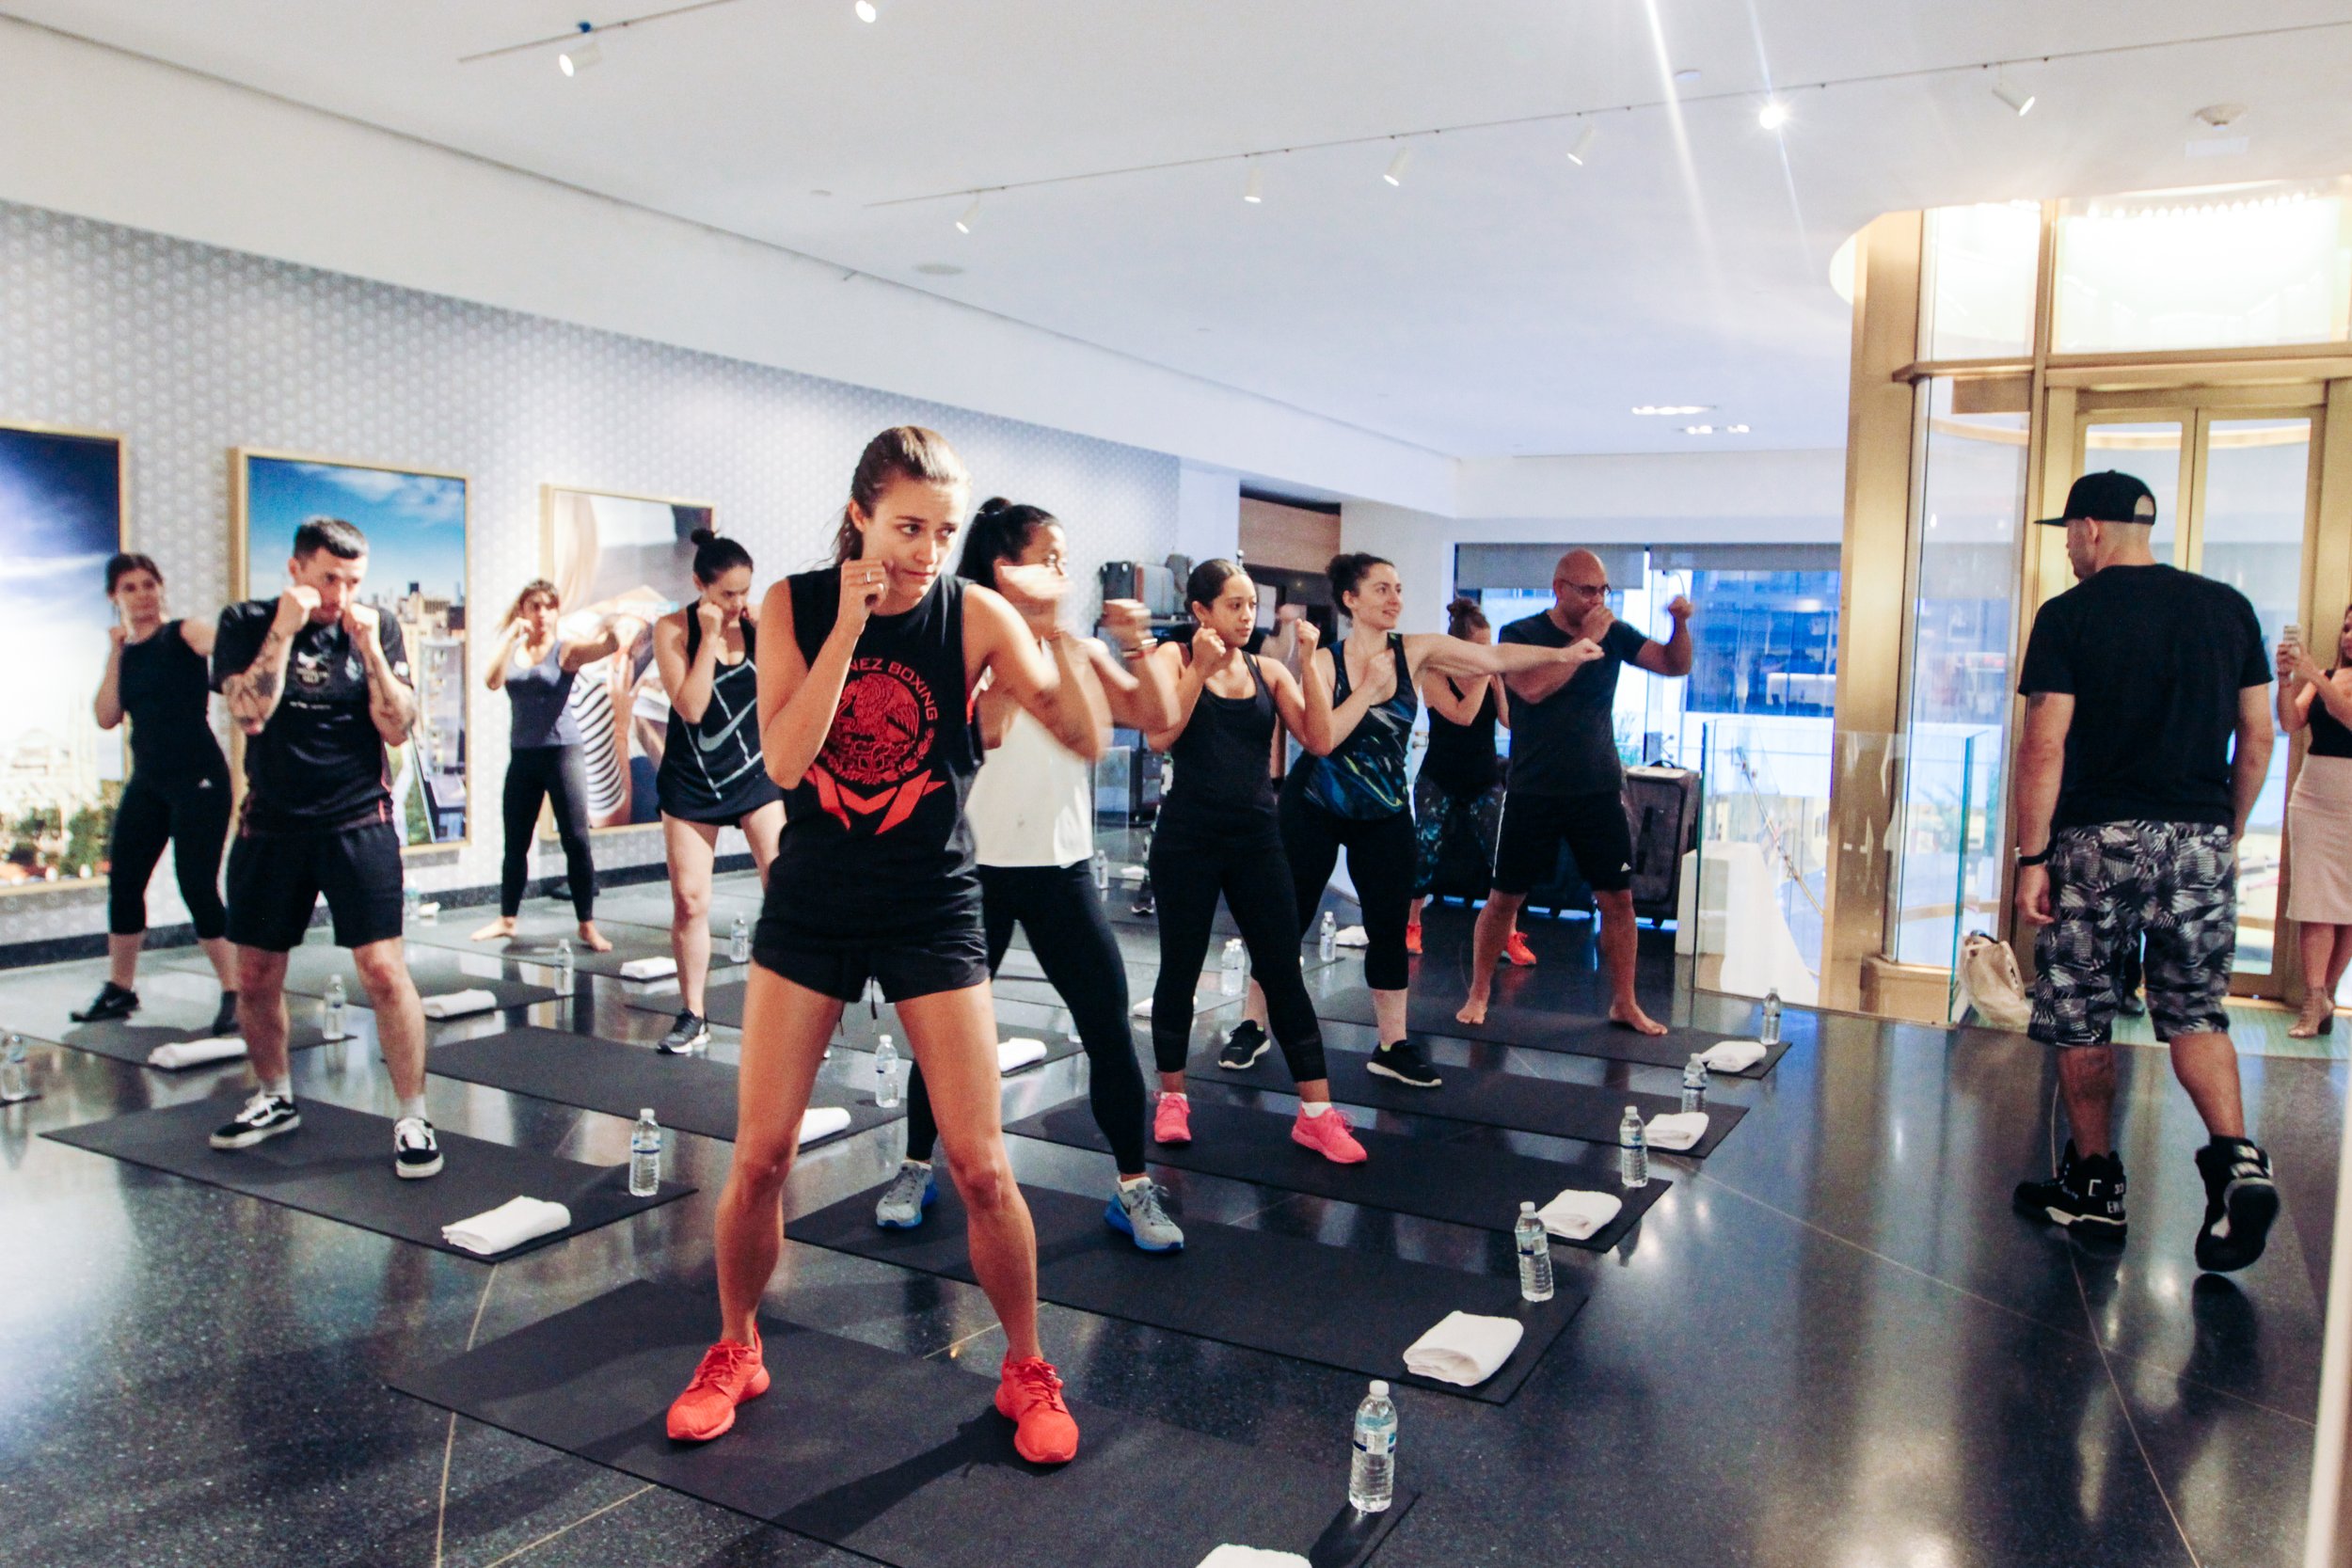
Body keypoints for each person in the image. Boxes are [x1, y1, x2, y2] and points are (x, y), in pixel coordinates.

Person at [667, 426, 1103, 1463]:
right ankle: (736, 1344)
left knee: (982, 1164)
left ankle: (1026, 1363)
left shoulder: (975, 612)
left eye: (944, 531)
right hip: (812, 899)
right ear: (860, 510)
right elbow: (781, 755)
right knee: (763, 1154)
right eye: (908, 525)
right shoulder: (793, 602)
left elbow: (1084, 731)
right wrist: (849, 632)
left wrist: (1057, 631)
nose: (925, 550)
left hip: (931, 900)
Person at [876, 499, 1184, 1251]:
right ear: (1005, 568)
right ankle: (916, 1165)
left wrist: (1137, 645)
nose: (1064, 571)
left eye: (1063, 558)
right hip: (971, 873)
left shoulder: (1075, 649)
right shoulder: (961, 646)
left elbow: (1155, 717)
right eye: (1049, 556)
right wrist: (1025, 641)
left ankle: (1135, 1187)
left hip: (1061, 870)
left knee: (1108, 1028)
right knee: (942, 1039)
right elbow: (987, 728)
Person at [2010, 470, 2280, 1274]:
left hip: (2099, 839)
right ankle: (2236, 1160)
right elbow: (2258, 734)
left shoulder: (2067, 616)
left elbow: (2044, 743)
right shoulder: (2227, 607)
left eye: (2067, 532)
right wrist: (2225, 827)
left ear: (2094, 528)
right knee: (2196, 1011)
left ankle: (2095, 1185)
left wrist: (2032, 856)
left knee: (2084, 1011)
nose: (2065, 547)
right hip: (2199, 836)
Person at [1226, 555, 1602, 1089]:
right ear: (1351, 600)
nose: (1395, 598)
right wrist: (1370, 687)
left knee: (1388, 927)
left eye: (1398, 588)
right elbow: (1324, 736)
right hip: (1314, 804)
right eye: (1382, 589)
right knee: (1285, 918)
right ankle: (1251, 1024)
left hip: (1383, 810)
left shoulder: (1416, 650)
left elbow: (1493, 655)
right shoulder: (1327, 662)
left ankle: (1392, 1045)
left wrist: (1563, 652)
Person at [206, 517, 439, 1178]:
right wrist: (282, 629)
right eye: (328, 577)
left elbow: (398, 728)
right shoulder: (247, 621)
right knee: (255, 975)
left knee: (384, 971)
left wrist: (368, 650)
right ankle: (275, 1095)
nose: (340, 592)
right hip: (272, 821)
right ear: (296, 569)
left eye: (353, 579)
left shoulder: (379, 626)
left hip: (356, 817)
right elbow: (250, 712)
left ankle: (413, 1114)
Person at [1140, 560, 1363, 1162]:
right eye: (1234, 605)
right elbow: (1159, 733)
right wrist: (1201, 670)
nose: (1247, 616)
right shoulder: (1174, 659)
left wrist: (1312, 661)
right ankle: (1172, 1100)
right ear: (1201, 613)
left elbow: (1318, 739)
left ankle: (1316, 1115)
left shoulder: (1267, 670)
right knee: (1180, 967)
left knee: (1282, 970)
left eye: (1251, 606)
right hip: (1187, 838)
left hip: (1257, 838)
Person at [1456, 549, 1692, 1034]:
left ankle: (1624, 1002)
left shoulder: (1614, 631)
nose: (1597, 599)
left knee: (1619, 900)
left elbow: (1673, 665)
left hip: (1598, 789)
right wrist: (1586, 639)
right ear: (1559, 588)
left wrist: (1680, 624)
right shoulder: (1519, 635)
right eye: (1587, 590)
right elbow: (1533, 688)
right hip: (1534, 790)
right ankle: (1479, 993)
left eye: (1603, 590)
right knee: (1504, 898)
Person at [73, 553, 238, 1035]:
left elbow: (226, 650)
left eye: (149, 584)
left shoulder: (184, 632)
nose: (143, 594)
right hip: (149, 780)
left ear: (161, 589)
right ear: (115, 597)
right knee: (124, 882)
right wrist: (115, 653)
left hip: (200, 779)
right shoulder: (125, 652)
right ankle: (121, 988)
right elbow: (106, 716)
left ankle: (235, 991)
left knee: (197, 885)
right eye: (130, 588)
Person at [650, 530, 786, 1054]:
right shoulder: (671, 629)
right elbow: (692, 707)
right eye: (727, 594)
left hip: (754, 774)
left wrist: (764, 631)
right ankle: (694, 1014)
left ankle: (789, 1011)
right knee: (689, 900)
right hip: (692, 780)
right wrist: (708, 639)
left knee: (783, 890)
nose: (738, 604)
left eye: (745, 592)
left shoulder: (759, 627)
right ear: (700, 585)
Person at [469, 579, 638, 952]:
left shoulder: (566, 652)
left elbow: (606, 647)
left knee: (576, 840)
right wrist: (511, 638)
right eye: (534, 606)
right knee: (516, 842)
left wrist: (612, 626)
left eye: (549, 606)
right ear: (523, 611)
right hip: (523, 756)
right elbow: (491, 680)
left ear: (557, 611)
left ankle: (587, 925)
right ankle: (507, 919)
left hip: (562, 753)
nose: (542, 613)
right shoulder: (513, 653)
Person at [1406, 598, 1524, 963]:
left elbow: (1507, 720)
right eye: (1479, 647)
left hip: (1484, 777)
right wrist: (1483, 676)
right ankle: (1411, 926)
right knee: (1424, 855)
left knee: (1502, 860)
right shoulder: (1434, 674)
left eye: (1489, 647)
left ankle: (1509, 934)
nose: (1486, 654)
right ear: (1459, 647)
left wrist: (1498, 679)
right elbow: (1462, 715)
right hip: (1439, 776)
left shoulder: (1491, 676)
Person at [2280, 607, 2352, 1037]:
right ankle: (2312, 998)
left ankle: (2328, 992)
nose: (2348, 636)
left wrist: (2316, 677)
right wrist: (2289, 679)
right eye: (2346, 627)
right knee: (2314, 902)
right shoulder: (2326, 675)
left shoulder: (2326, 679)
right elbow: (2291, 721)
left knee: (2347, 907)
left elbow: (2347, 715)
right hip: (2315, 798)